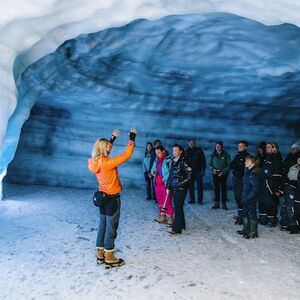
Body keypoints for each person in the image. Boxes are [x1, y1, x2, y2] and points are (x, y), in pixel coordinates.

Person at [88, 128, 137, 268]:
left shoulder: (95, 161)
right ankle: (109, 256)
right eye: (108, 146)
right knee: (111, 227)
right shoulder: (107, 163)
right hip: (112, 199)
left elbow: (106, 149)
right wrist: (132, 138)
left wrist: (112, 138)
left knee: (103, 225)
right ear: (104, 149)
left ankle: (100, 253)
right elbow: (127, 155)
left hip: (102, 198)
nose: (109, 148)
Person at [166, 144, 192, 236]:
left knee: (177, 207)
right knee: (178, 206)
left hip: (181, 188)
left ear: (180, 151)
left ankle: (176, 229)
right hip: (174, 187)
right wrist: (169, 186)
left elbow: (190, 177)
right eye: (173, 150)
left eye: (176, 150)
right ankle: (181, 225)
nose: (174, 152)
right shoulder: (173, 161)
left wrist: (179, 184)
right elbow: (171, 175)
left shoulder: (184, 161)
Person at [237, 155, 262, 239]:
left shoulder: (254, 173)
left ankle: (253, 232)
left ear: (253, 163)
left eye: (247, 161)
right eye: (245, 161)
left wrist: (248, 197)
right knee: (244, 212)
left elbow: (255, 188)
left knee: (252, 214)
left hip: (251, 199)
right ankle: (246, 229)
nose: (245, 162)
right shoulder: (247, 171)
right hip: (245, 198)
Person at [261, 142, 283, 227]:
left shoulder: (276, 158)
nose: (267, 148)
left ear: (274, 149)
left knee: (271, 203)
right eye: (266, 147)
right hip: (265, 183)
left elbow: (277, 175)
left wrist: (274, 188)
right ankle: (265, 218)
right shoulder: (267, 157)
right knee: (265, 202)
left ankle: (272, 220)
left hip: (271, 184)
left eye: (269, 147)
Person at [151, 145, 173, 225]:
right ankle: (162, 216)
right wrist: (153, 172)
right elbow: (153, 169)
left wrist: (164, 178)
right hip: (157, 184)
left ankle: (170, 217)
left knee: (167, 200)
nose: (157, 154)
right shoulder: (156, 160)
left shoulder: (168, 160)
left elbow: (171, 173)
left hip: (165, 184)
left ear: (163, 151)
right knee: (160, 200)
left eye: (159, 152)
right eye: (156, 153)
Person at [230, 141, 249, 224]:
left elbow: (247, 169)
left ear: (246, 147)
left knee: (241, 198)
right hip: (236, 179)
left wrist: (238, 170)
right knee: (237, 197)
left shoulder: (247, 157)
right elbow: (231, 165)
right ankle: (240, 215)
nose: (239, 147)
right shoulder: (237, 156)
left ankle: (243, 217)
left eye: (241, 146)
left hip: (243, 180)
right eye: (238, 146)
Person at [209, 141, 231, 210]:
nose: (217, 147)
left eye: (219, 146)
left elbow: (229, 165)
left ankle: (224, 204)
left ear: (221, 146)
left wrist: (223, 172)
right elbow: (210, 164)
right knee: (216, 188)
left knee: (223, 189)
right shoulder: (213, 155)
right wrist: (213, 170)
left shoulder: (226, 155)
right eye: (216, 146)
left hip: (223, 174)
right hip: (215, 173)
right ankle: (216, 203)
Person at [280, 157, 300, 232]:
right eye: (298, 159)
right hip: (288, 188)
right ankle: (285, 222)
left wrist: (294, 185)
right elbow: (288, 176)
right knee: (285, 205)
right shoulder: (293, 167)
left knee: (291, 207)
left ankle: (292, 224)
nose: (299, 161)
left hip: (295, 190)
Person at [185, 138, 206, 205]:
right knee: (191, 186)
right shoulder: (186, 151)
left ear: (195, 143)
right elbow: (184, 162)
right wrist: (186, 169)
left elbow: (203, 161)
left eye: (193, 143)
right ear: (188, 143)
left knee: (199, 186)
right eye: (190, 143)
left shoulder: (199, 150)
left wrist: (203, 170)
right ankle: (192, 199)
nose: (191, 144)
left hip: (198, 171)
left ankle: (200, 201)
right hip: (190, 172)